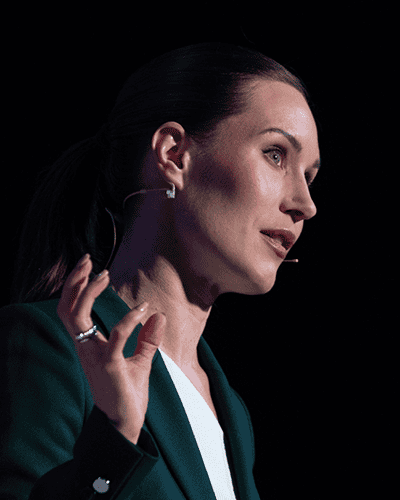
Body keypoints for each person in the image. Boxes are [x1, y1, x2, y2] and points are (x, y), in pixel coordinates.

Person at [0, 42, 320, 499]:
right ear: (173, 154)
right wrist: (113, 442)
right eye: (275, 154)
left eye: (309, 176)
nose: (305, 204)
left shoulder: (233, 413)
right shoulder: (52, 345)